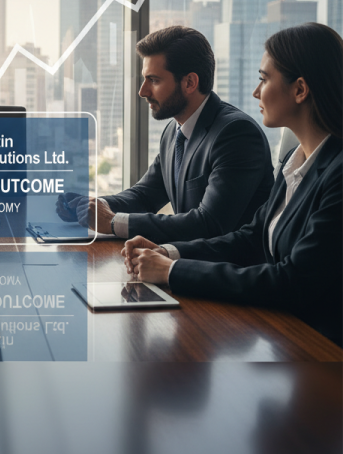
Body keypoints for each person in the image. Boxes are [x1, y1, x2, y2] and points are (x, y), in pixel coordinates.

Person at [123, 23, 343, 346]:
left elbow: (292, 280)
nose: (256, 92)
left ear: (300, 90)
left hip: (321, 350)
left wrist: (171, 271)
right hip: (279, 331)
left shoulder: (337, 174)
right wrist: (169, 252)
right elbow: (251, 238)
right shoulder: (294, 162)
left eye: (264, 79)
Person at [57, 26, 274, 243]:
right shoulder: (174, 131)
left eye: (154, 80)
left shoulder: (237, 134)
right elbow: (144, 196)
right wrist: (92, 207)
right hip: (182, 258)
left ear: (190, 83)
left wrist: (113, 222)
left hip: (226, 263)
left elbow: (209, 224)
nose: (143, 91)